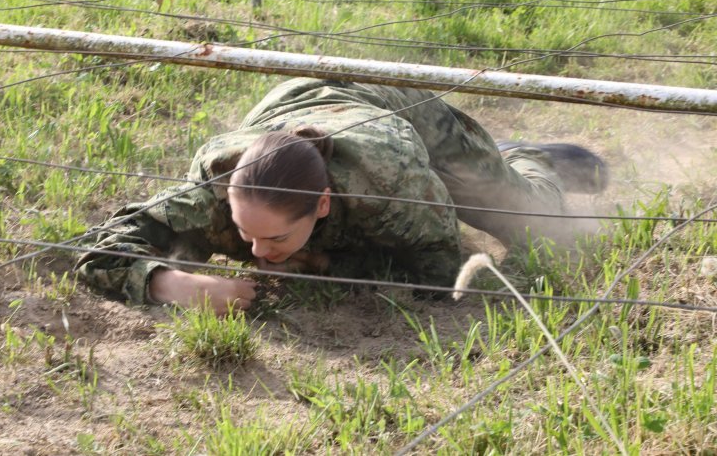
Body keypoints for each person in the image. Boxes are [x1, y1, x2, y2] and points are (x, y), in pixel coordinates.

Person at [75, 78, 608, 315]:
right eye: (244, 232)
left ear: (322, 205)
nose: (257, 254)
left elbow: (439, 273)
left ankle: (526, 158)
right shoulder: (214, 188)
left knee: (532, 221)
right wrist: (173, 283)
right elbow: (98, 250)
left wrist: (327, 261)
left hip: (399, 115)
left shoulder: (393, 188)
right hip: (294, 103)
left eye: (276, 237)